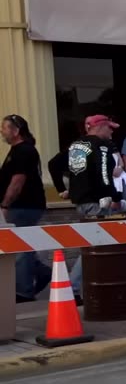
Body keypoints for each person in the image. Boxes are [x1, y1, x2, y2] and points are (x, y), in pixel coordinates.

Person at [0, 114, 51, 303]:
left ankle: (23, 291)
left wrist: (6, 203)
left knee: (19, 246)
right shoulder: (16, 150)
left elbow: (17, 180)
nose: (2, 131)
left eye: (4, 127)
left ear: (16, 130)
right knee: (23, 245)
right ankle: (43, 272)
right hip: (23, 205)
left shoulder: (24, 151)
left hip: (24, 205)